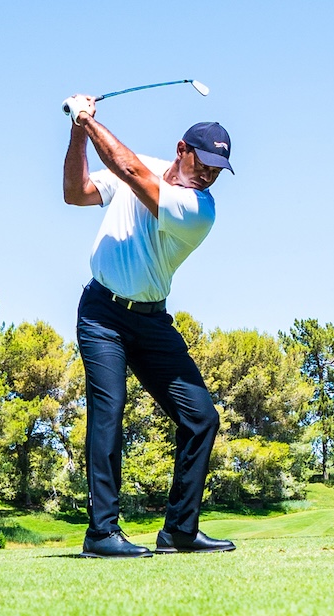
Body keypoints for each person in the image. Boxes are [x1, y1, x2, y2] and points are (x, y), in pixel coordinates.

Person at [62, 93, 236, 558]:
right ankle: (101, 533)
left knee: (201, 418)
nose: (208, 174)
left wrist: (84, 116)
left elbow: (131, 173)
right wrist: (79, 131)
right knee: (109, 412)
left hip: (152, 321)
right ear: (182, 150)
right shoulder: (140, 166)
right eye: (204, 162)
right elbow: (76, 193)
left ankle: (180, 529)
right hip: (102, 314)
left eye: (218, 170)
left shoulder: (200, 209)